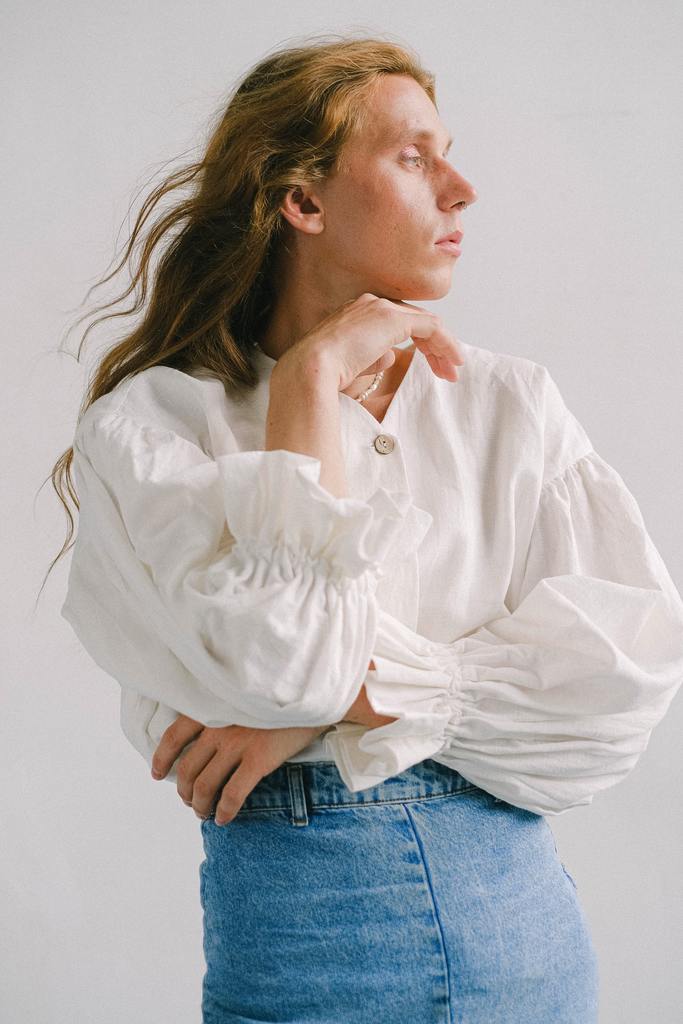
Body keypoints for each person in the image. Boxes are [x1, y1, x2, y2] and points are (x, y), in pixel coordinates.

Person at [49, 34, 683, 1024]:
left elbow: (621, 686)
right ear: (302, 202)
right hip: (304, 948)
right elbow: (287, 667)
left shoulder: (507, 402)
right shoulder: (155, 427)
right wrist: (309, 376)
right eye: (414, 156)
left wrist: (343, 702)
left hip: (521, 930)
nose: (461, 187)